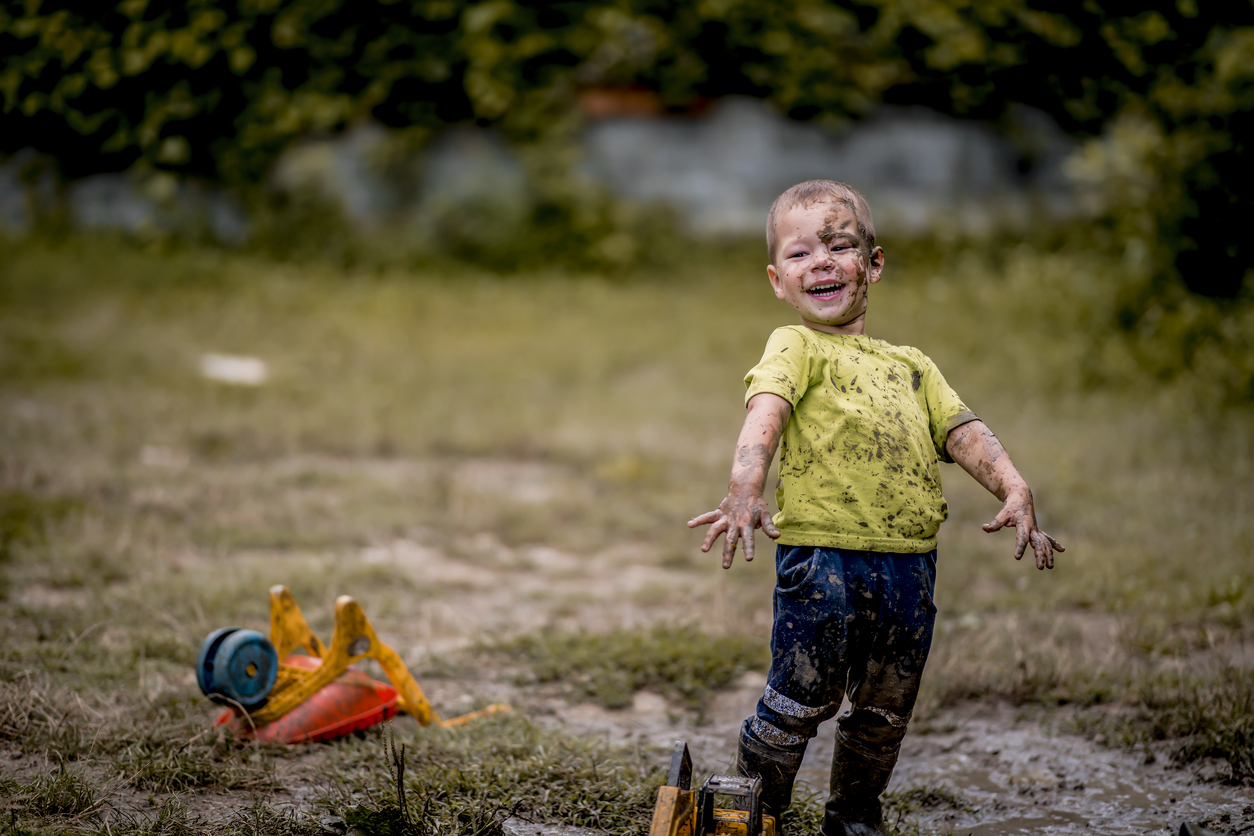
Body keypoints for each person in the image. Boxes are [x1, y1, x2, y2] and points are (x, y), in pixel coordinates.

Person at [687, 180, 1064, 836]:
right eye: (802, 255)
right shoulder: (795, 346)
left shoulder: (913, 366)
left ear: (875, 263)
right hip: (822, 563)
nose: (823, 263)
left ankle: (855, 816)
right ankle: (750, 812)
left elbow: (962, 433)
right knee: (802, 699)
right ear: (778, 280)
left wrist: (1012, 484)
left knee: (885, 709)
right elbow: (765, 414)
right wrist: (744, 490)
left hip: (909, 570)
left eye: (840, 246)